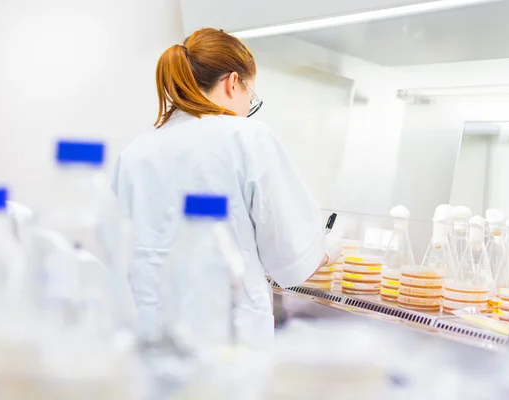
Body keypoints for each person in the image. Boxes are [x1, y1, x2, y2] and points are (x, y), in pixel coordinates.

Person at [111, 28, 340, 348]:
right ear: (233, 82)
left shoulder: (134, 153)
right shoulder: (247, 138)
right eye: (251, 97)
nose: (248, 108)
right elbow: (291, 261)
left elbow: (116, 256)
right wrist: (333, 248)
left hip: (150, 343)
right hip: (228, 346)